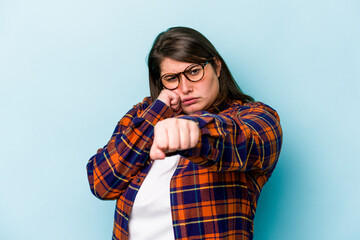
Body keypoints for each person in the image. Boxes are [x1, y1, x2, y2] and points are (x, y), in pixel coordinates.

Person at [86, 26, 283, 240]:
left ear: (216, 67)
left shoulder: (255, 116)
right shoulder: (143, 116)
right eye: (172, 78)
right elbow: (101, 183)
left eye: (194, 71)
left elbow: (244, 140)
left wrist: (195, 130)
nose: (185, 87)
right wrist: (157, 113)